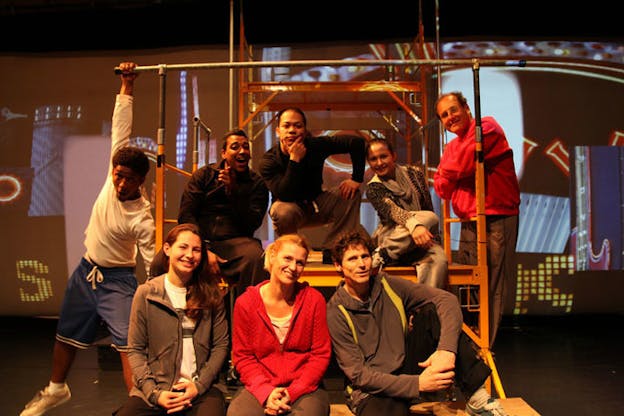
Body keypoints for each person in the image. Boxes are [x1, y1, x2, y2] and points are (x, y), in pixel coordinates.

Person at [20, 61, 155, 416]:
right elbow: (121, 131)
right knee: (66, 333)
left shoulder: (142, 217)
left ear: (141, 181)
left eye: (129, 178)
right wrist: (127, 85)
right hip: (86, 273)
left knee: (128, 345)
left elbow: (151, 258)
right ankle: (56, 389)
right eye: (118, 175)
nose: (121, 182)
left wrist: (160, 293)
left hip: (119, 282)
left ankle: (137, 404)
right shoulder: (110, 183)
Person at [326, 231, 507, 416]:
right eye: (352, 259)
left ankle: (477, 398)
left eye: (365, 256)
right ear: (338, 266)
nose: (361, 264)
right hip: (370, 390)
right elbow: (359, 375)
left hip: (405, 365)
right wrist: (417, 384)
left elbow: (447, 300)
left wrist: (446, 350)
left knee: (433, 313)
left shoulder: (387, 284)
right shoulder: (335, 311)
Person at [433, 91, 520, 348]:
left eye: (453, 110)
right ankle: (468, 343)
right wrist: (453, 171)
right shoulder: (452, 145)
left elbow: (460, 166)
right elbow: (442, 188)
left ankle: (483, 348)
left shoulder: (487, 127)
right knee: (469, 285)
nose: (450, 118)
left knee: (490, 284)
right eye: (444, 115)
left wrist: (450, 170)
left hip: (495, 217)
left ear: (467, 108)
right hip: (468, 220)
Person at [113, 223, 229, 416]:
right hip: (158, 387)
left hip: (202, 389)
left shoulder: (212, 295)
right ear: (167, 249)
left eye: (196, 250)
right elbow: (135, 349)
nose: (189, 255)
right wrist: (154, 393)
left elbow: (221, 346)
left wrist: (198, 386)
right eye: (183, 247)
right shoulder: (147, 293)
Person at [227, 234, 331, 416]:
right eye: (288, 258)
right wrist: (266, 393)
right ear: (273, 256)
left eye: (300, 262)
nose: (293, 267)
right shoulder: (246, 303)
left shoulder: (314, 300)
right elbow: (243, 357)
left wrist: (293, 391)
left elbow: (320, 355)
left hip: (304, 387)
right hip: (260, 384)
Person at [259, 107, 368, 264]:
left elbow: (356, 143)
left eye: (297, 126)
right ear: (278, 131)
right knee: (281, 210)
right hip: (291, 210)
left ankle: (335, 251)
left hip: (317, 203)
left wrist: (356, 179)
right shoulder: (269, 161)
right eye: (286, 126)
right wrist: (294, 160)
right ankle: (291, 252)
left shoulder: (315, 146)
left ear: (304, 130)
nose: (292, 131)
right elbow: (285, 194)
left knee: (351, 194)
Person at [175, 128, 270, 296]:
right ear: (224, 153)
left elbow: (252, 223)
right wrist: (202, 249)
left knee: (256, 257)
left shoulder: (257, 183)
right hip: (200, 240)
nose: (242, 151)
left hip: (236, 242)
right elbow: (186, 215)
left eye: (245, 147)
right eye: (235, 147)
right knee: (161, 259)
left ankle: (247, 313)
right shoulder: (204, 175)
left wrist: (234, 192)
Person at [365, 138, 448, 289]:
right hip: (394, 239)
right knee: (429, 217)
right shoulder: (373, 187)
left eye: (383, 156)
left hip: (421, 239)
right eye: (373, 159)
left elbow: (427, 207)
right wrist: (415, 226)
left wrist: (432, 238)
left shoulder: (414, 174)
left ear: (394, 156)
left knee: (439, 259)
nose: (379, 163)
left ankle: (426, 308)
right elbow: (395, 212)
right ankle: (383, 255)